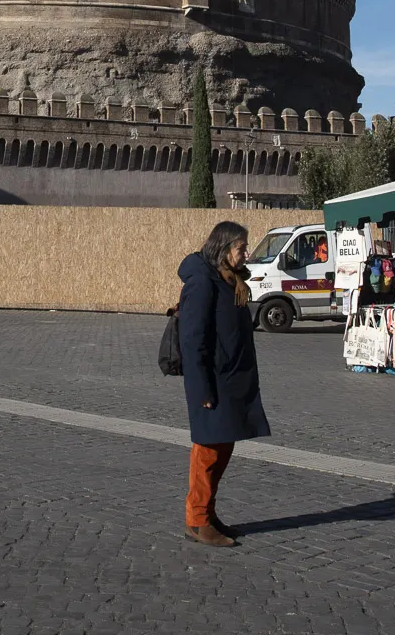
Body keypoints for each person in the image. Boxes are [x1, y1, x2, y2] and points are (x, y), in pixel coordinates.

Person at [177, 220, 270, 548]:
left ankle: (208, 513)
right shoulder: (203, 282)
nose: (246, 253)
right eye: (240, 248)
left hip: (230, 379)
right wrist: (201, 388)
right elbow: (192, 339)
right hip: (212, 382)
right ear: (222, 248)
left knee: (223, 445)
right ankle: (197, 520)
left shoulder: (228, 279)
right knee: (208, 449)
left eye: (245, 247)